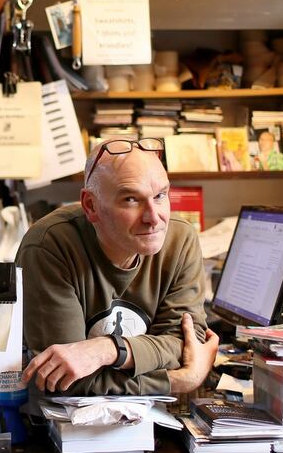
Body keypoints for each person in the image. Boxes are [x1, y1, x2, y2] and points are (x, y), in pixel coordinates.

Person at [19, 138, 219, 396]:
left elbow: (184, 345)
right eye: (131, 200)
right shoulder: (49, 245)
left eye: (160, 196)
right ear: (91, 206)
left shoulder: (180, 240)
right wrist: (180, 381)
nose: (154, 218)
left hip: (148, 419)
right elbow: (64, 381)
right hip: (64, 429)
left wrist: (106, 350)